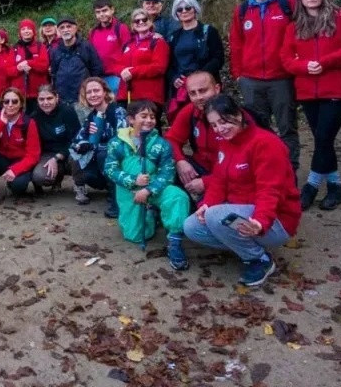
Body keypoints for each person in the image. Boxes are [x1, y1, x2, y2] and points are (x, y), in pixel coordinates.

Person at [183, 95, 301, 287]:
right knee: (192, 226)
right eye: (214, 125)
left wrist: (261, 221)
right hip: (242, 210)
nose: (220, 129)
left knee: (216, 216)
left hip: (275, 219)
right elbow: (219, 181)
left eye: (223, 121)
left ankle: (258, 259)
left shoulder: (265, 143)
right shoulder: (226, 142)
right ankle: (245, 247)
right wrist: (206, 205)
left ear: (238, 115)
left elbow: (270, 189)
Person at [281, 0, 341, 211]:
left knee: (324, 137)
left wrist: (325, 62)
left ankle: (311, 185)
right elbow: (286, 59)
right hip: (308, 91)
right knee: (322, 139)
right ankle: (336, 188)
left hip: (337, 88)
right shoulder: (294, 27)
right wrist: (304, 66)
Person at [229, 0, 301, 175]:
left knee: (287, 127)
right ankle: (267, 169)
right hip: (251, 80)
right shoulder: (242, 10)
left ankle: (290, 171)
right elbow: (236, 44)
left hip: (282, 78)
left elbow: (302, 34)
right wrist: (239, 75)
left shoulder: (287, 4)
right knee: (257, 128)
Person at [104, 101, 190, 269]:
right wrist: (132, 180)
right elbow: (110, 169)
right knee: (136, 235)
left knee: (177, 196)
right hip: (129, 190)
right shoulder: (116, 142)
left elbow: (168, 172)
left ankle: (175, 241)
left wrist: (148, 190)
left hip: (154, 187)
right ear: (130, 119)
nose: (149, 120)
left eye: (152, 117)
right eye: (143, 116)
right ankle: (152, 214)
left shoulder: (162, 144)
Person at [0, 87, 41, 208]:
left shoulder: (28, 123)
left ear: (21, 104)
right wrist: (1, 123)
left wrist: (15, 170)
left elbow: (33, 155)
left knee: (18, 187)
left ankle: (13, 183)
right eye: (6, 101)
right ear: (2, 103)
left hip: (19, 162)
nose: (10, 105)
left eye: (15, 101)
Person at [164, 71, 225, 201]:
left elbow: (241, 165)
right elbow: (170, 139)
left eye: (203, 91)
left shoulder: (233, 117)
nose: (198, 97)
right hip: (201, 167)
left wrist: (207, 182)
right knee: (164, 161)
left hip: (227, 176)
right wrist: (180, 161)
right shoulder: (190, 110)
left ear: (217, 89)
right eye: (193, 93)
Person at [70, 77, 124, 217]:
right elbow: (76, 142)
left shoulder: (117, 111)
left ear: (105, 92)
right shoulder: (92, 116)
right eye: (89, 92)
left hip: (121, 159)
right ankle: (108, 188)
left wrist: (98, 144)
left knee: (103, 154)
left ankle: (117, 200)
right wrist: (86, 138)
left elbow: (124, 140)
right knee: (80, 163)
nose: (93, 95)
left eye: (96, 90)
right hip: (102, 160)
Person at [165, 0, 224, 117]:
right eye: (180, 9)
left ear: (195, 9)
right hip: (182, 87)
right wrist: (174, 78)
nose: (184, 11)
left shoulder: (208, 31)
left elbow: (218, 58)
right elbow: (169, 63)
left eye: (187, 7)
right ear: (176, 14)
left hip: (205, 85)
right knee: (187, 120)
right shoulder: (173, 37)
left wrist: (200, 76)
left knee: (212, 116)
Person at [48, 16, 103, 118]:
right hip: (63, 101)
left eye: (69, 26)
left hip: (83, 100)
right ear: (58, 32)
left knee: (85, 128)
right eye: (62, 28)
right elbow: (54, 75)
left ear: (75, 28)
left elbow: (97, 70)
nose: (65, 30)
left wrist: (91, 93)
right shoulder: (55, 51)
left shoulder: (86, 46)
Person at [30, 84, 79, 192]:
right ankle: (57, 177)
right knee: (39, 177)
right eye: (41, 99)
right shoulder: (34, 117)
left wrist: (57, 157)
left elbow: (75, 138)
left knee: (78, 160)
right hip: (48, 154)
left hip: (70, 151)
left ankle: (79, 184)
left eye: (49, 98)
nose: (45, 102)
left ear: (57, 97)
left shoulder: (67, 111)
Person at [117, 8, 170, 107]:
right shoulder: (128, 43)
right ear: (132, 25)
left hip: (148, 96)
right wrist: (121, 71)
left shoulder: (158, 42)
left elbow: (159, 68)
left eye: (144, 19)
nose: (141, 22)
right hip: (125, 95)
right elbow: (119, 64)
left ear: (150, 22)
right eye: (137, 21)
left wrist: (132, 72)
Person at [90, 0, 132, 94]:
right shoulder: (93, 32)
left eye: (104, 10)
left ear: (112, 10)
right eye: (98, 12)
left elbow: (129, 52)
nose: (101, 14)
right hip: (99, 77)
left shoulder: (121, 28)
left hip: (116, 77)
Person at [11, 20, 49, 114]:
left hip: (37, 93)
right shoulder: (14, 49)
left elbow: (44, 66)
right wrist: (18, 68)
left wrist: (28, 63)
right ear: (20, 32)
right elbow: (8, 70)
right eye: (23, 29)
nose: (26, 31)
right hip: (20, 93)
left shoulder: (41, 47)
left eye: (29, 29)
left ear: (33, 31)